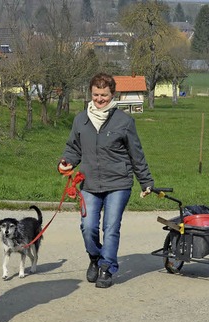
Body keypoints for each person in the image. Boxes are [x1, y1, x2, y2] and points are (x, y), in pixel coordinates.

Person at [58, 72, 154, 289]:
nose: (99, 99)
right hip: (90, 183)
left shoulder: (124, 121)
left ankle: (106, 268)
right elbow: (73, 148)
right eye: (95, 94)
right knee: (88, 226)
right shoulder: (81, 120)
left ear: (113, 94)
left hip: (118, 183)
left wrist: (146, 181)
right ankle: (95, 257)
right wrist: (66, 162)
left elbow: (136, 154)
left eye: (104, 95)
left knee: (110, 227)